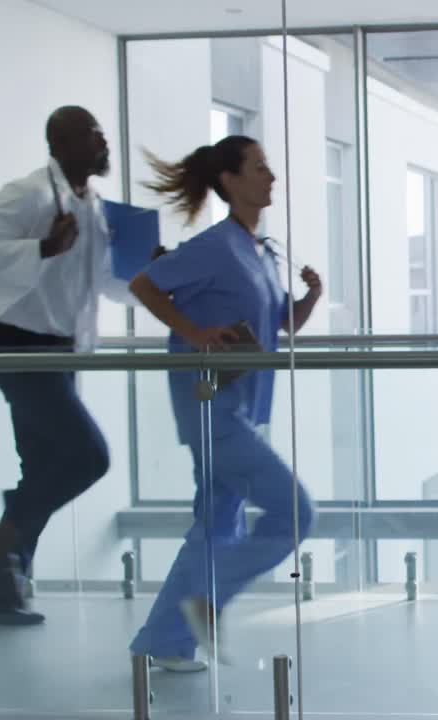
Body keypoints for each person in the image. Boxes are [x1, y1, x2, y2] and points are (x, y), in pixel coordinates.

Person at [127, 135, 320, 672]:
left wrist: (310, 298)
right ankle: (206, 600)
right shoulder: (214, 245)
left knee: (214, 527)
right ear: (230, 181)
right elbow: (145, 285)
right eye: (259, 168)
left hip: (244, 409)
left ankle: (163, 642)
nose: (271, 177)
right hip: (212, 410)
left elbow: (280, 324)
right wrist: (195, 332)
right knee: (295, 512)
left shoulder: (260, 250)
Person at [0, 106, 133, 625]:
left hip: (61, 349)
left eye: (101, 134)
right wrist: (42, 246)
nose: (103, 143)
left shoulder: (95, 206)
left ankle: (6, 588)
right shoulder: (29, 194)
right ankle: (6, 537)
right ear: (60, 144)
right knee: (87, 457)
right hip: (17, 346)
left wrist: (149, 269)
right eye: (92, 135)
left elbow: (102, 280)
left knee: (41, 465)